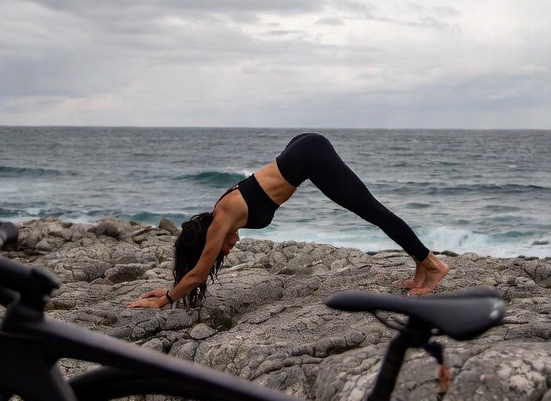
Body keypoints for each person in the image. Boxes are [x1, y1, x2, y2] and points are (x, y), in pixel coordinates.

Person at [128, 132, 449, 309]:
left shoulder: (221, 219)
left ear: (208, 241)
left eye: (221, 251)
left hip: (310, 154)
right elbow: (196, 271)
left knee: (373, 211)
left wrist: (165, 300)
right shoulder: (222, 214)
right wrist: (170, 288)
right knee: (373, 211)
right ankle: (421, 265)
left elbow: (198, 274)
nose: (228, 249)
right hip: (302, 148)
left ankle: (434, 266)